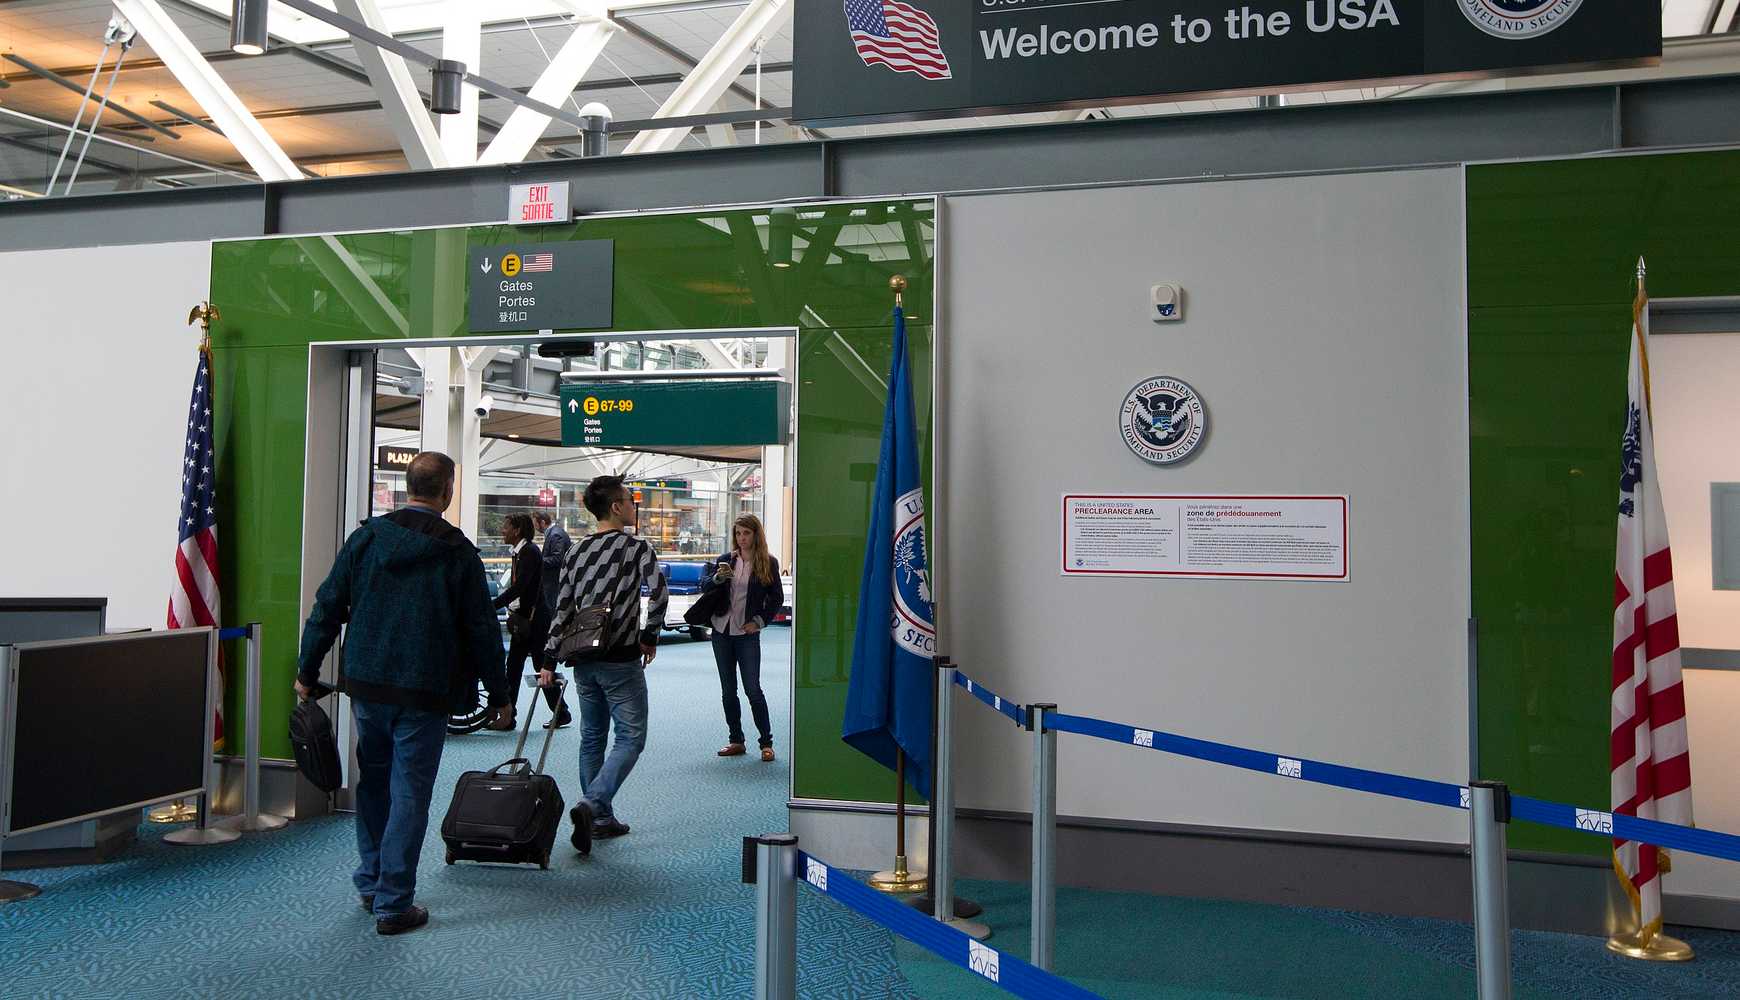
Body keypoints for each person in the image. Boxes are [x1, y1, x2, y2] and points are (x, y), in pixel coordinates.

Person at [295, 451, 508, 937]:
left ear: (405, 486)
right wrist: (499, 694)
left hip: (368, 684)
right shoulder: (457, 551)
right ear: (448, 490)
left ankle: (371, 882)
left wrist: (307, 670)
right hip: (426, 689)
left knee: (373, 782)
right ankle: (394, 901)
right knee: (410, 791)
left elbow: (327, 607)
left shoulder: (367, 538)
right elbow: (480, 629)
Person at [542, 475, 668, 854]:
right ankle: (593, 803)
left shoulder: (576, 552)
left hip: (583, 658)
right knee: (631, 737)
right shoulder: (636, 546)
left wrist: (550, 657)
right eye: (630, 500)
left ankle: (599, 819)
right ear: (616, 507)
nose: (633, 505)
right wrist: (649, 636)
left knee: (592, 736)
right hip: (620, 657)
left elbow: (562, 608)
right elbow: (658, 595)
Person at [704, 514, 784, 761]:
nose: (741, 538)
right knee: (728, 691)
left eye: (746, 533)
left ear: (755, 534)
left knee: (753, 689)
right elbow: (706, 586)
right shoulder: (725, 561)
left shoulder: (767, 563)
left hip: (747, 634)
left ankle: (766, 742)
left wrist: (759, 621)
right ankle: (736, 740)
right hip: (722, 632)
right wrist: (719, 578)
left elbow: (776, 598)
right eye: (738, 533)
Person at [486, 513, 548, 731]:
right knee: (515, 666)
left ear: (517, 530)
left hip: (533, 619)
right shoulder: (521, 552)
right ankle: (508, 716)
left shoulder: (529, 552)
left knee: (538, 666)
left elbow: (520, 587)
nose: (502, 530)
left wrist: (492, 605)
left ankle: (561, 711)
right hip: (526, 618)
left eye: (506, 526)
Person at [532, 510, 572, 725]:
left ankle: (560, 711)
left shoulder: (555, 535)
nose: (535, 526)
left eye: (535, 522)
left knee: (550, 638)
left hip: (554, 590)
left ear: (541, 521)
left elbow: (558, 559)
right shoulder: (555, 533)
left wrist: (538, 560)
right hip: (553, 590)